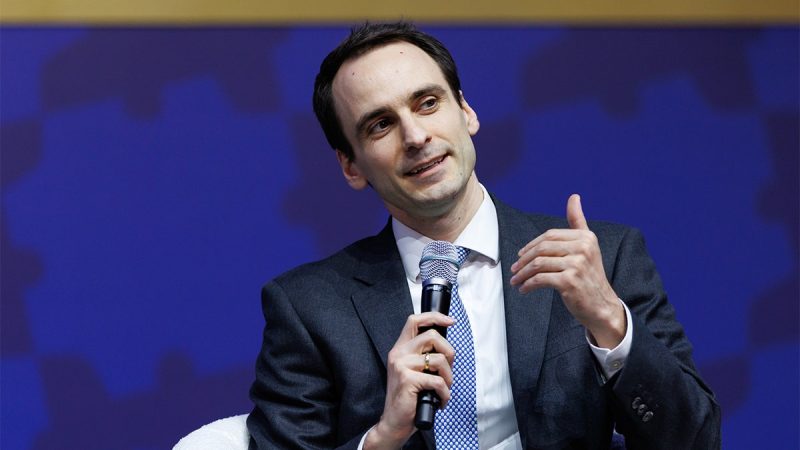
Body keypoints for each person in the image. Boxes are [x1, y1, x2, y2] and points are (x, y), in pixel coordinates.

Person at [247, 22, 720, 449]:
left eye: (427, 103)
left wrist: (611, 325)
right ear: (351, 165)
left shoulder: (603, 259)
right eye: (381, 124)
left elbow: (696, 440)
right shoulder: (308, 309)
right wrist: (384, 436)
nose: (416, 136)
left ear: (466, 111)